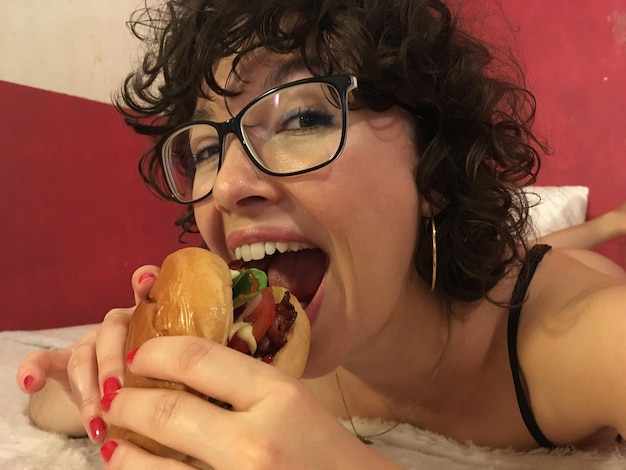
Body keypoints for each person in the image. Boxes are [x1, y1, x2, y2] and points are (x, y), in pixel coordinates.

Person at [16, 0, 626, 468]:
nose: (226, 186)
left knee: (529, 251)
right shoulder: (263, 342)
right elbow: (47, 399)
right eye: (206, 148)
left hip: (525, 286)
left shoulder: (588, 334)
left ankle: (601, 226)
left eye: (303, 117)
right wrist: (111, 371)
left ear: (434, 164)